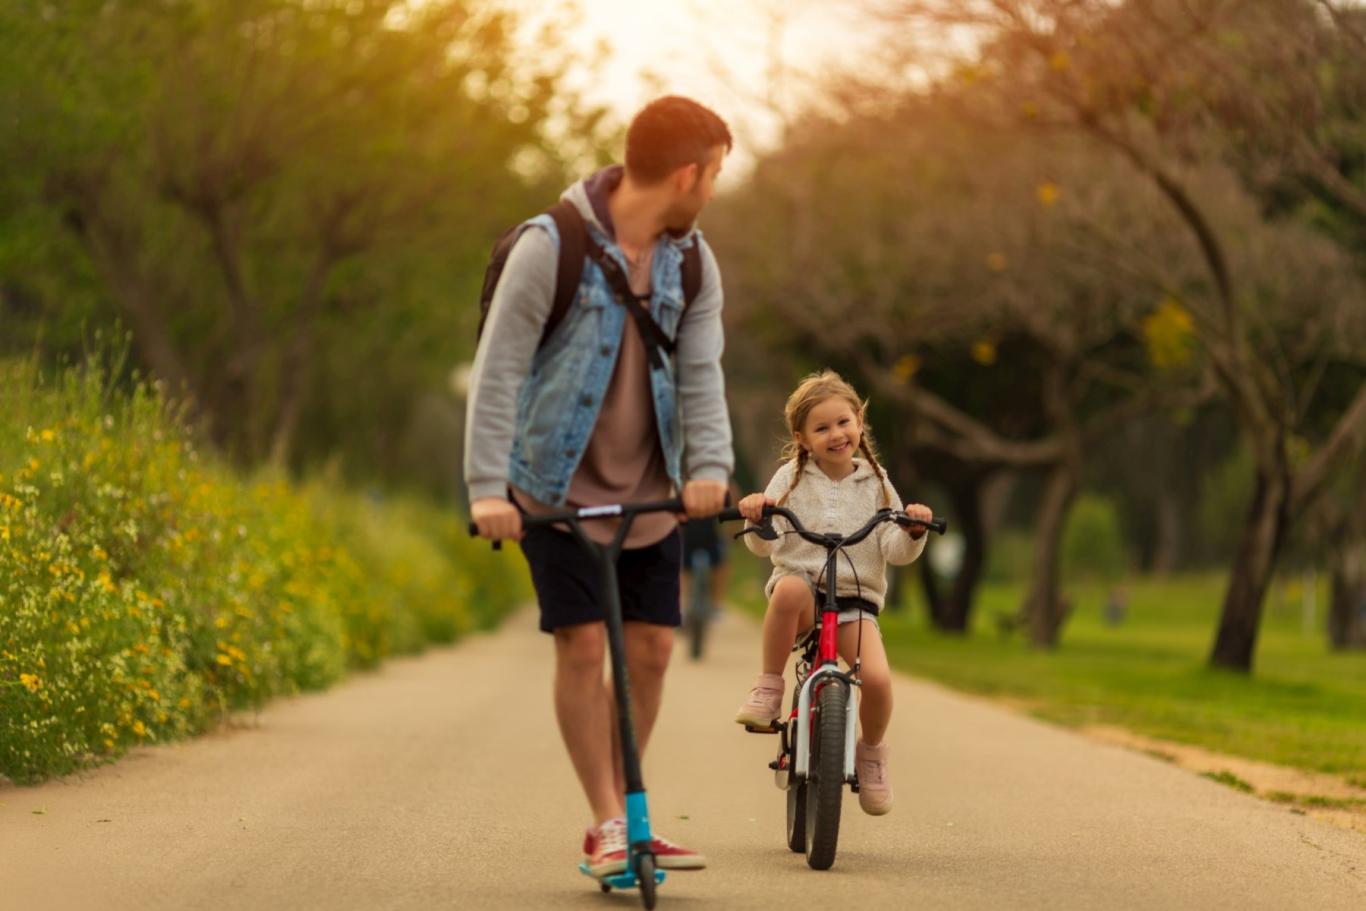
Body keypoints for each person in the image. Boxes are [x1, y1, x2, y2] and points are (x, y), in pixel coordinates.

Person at [465, 96, 734, 879]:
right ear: (686, 173)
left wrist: (710, 469)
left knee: (650, 649)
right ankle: (610, 817)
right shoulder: (553, 246)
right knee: (583, 645)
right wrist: (488, 488)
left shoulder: (692, 261)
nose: (712, 191)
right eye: (713, 174)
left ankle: (622, 813)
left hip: (652, 492)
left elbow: (700, 372)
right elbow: (498, 372)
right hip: (552, 489)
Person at [733, 369, 932, 816]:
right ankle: (768, 686)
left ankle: (873, 752)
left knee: (877, 681)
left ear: (859, 421)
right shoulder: (790, 477)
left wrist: (914, 529)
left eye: (843, 422)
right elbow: (766, 544)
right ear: (802, 438)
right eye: (821, 429)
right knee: (786, 590)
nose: (836, 434)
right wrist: (758, 516)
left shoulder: (878, 485)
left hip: (854, 603)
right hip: (803, 596)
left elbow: (894, 550)